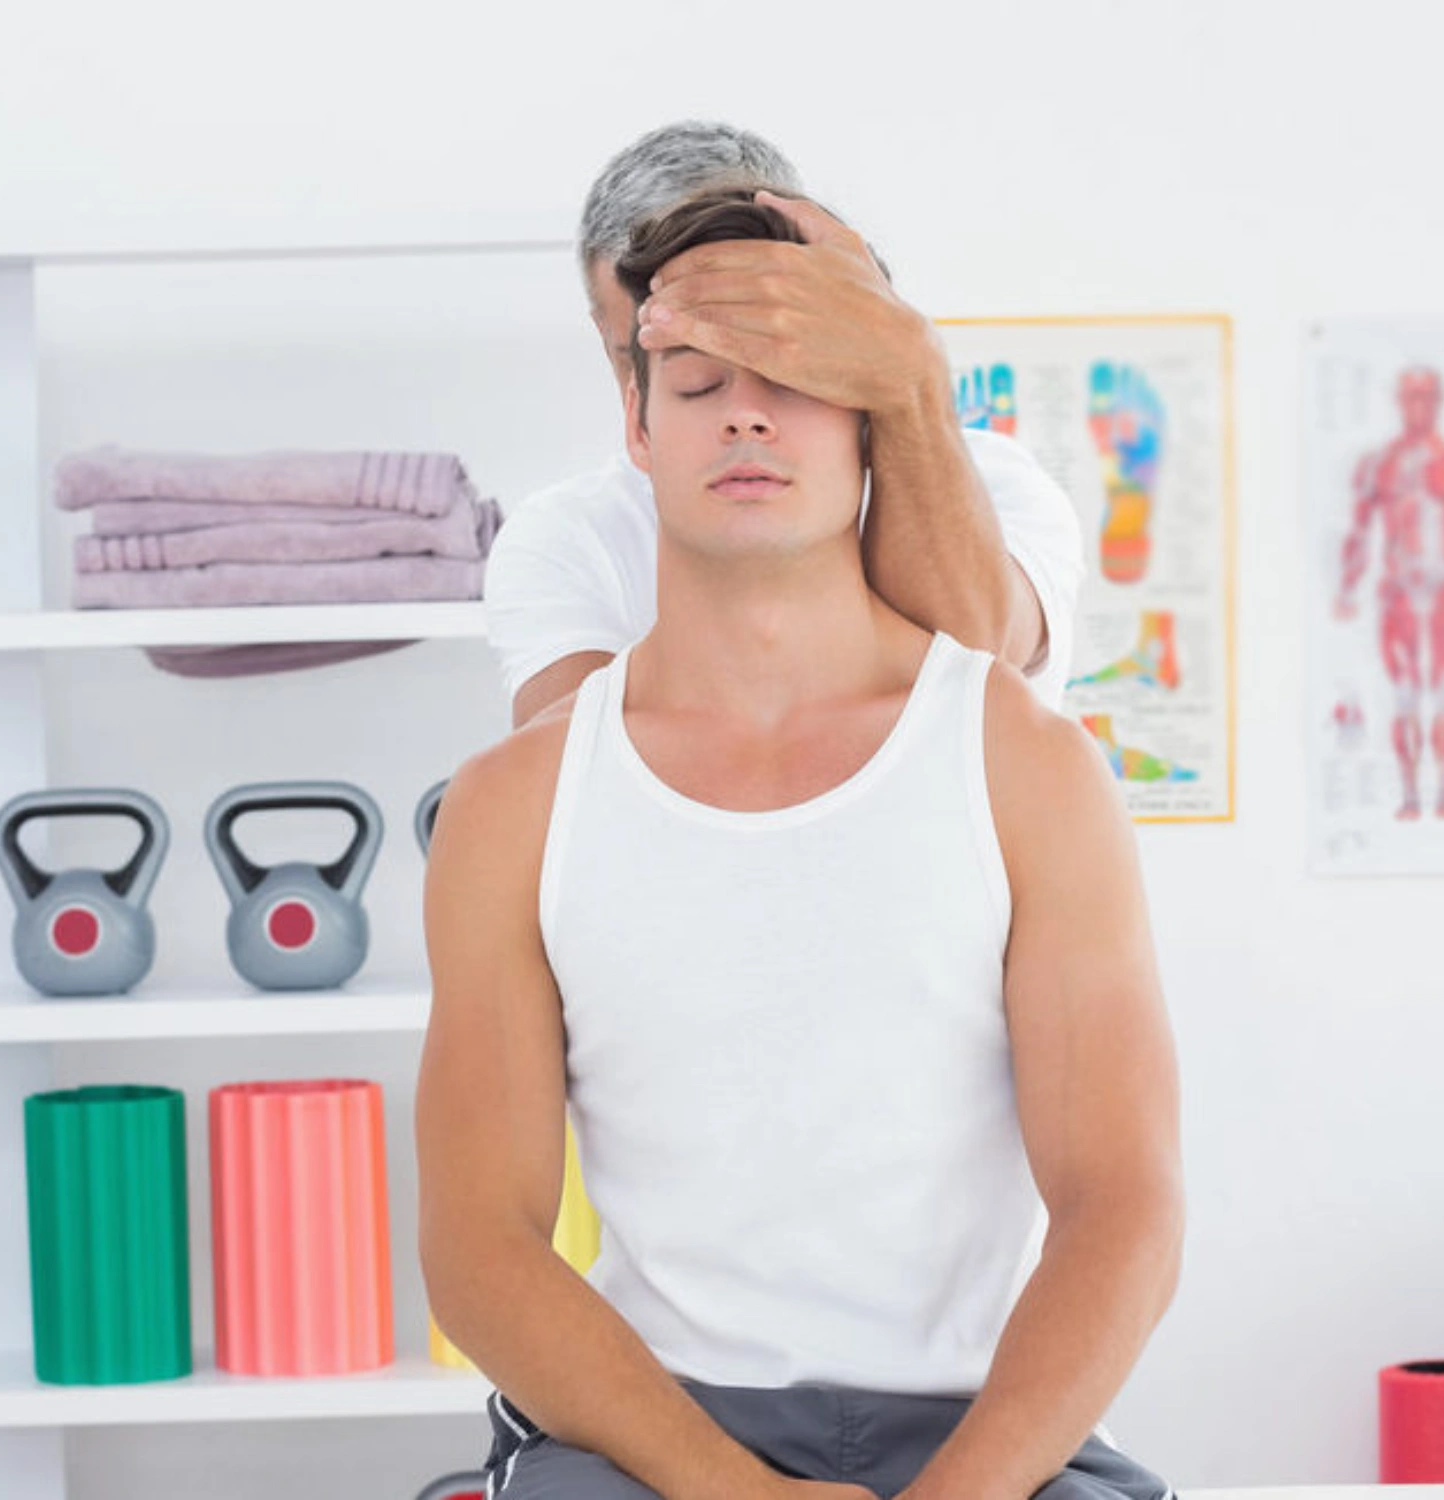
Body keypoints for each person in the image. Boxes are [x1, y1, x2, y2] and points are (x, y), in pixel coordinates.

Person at [418, 190, 1184, 1500]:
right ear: (637, 427)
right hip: (656, 1440)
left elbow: (1125, 1207)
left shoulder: (1027, 770)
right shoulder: (510, 807)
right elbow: (479, 1248)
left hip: (976, 1435)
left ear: (878, 414)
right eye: (701, 380)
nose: (747, 415)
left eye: (798, 377)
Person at [483, 121, 1084, 729]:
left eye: (770, 359)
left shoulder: (999, 488)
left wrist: (912, 378)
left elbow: (970, 676)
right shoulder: (567, 536)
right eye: (689, 374)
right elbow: (574, 785)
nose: (742, 414)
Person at [1334, 365, 1444, 819]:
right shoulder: (1380, 464)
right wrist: (1347, 589)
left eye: (1428, 397)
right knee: (1405, 693)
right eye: (1411, 397)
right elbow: (1359, 529)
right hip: (1400, 595)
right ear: (1399, 401)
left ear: (1439, 401)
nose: (1419, 406)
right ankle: (1410, 795)